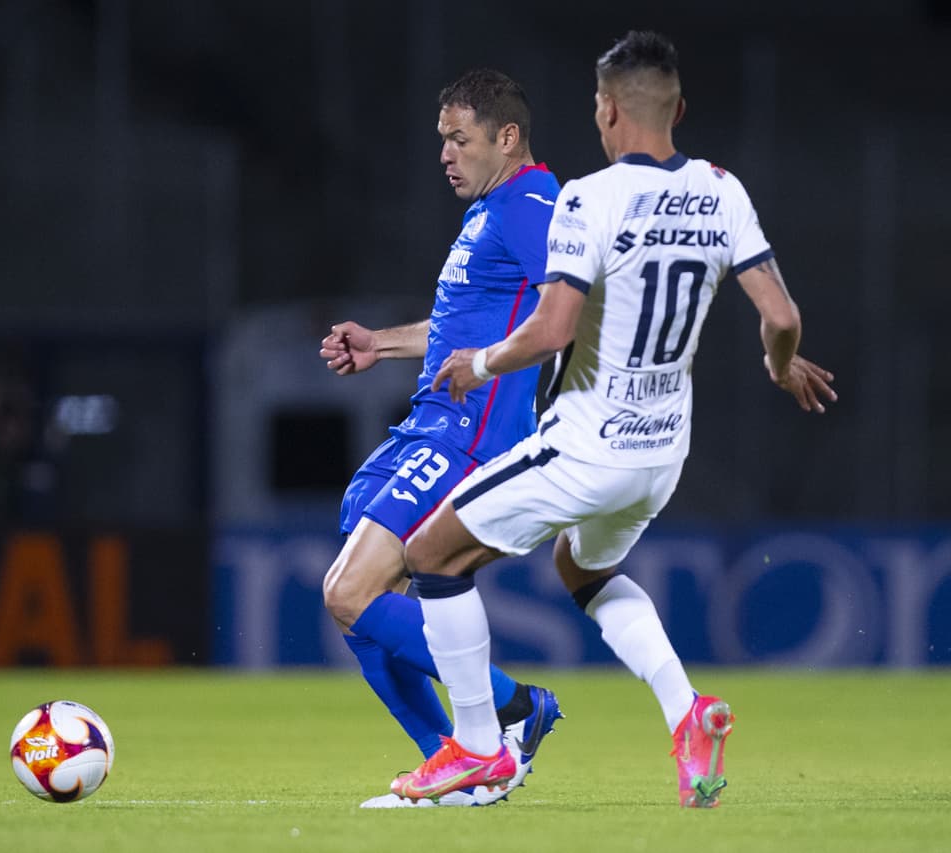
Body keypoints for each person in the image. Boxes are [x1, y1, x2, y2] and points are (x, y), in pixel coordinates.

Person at [391, 30, 837, 808]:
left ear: (604, 111)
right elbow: (782, 313)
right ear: (679, 108)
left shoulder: (586, 198)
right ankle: (687, 711)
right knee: (582, 569)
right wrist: (777, 363)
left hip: (586, 444)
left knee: (431, 553)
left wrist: (479, 362)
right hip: (663, 455)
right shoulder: (721, 190)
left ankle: (477, 746)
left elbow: (552, 329)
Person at [319, 68, 563, 808]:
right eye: (442, 141)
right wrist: (379, 345)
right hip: (428, 424)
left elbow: (572, 312)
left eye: (459, 139)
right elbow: (465, 330)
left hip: (469, 438)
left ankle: (513, 709)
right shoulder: (489, 213)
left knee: (348, 591)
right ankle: (459, 768)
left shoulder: (532, 204)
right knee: (368, 606)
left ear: (507, 137)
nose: (446, 154)